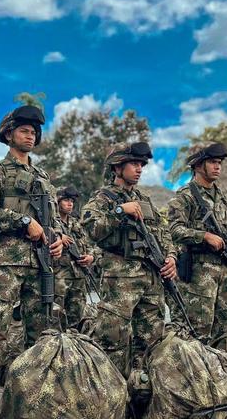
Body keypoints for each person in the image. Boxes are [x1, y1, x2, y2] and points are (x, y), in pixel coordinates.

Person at [0, 105, 63, 416]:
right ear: (9, 134)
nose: (31, 134)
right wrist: (23, 222)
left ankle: (31, 402)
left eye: (35, 131)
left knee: (40, 333)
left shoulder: (43, 176)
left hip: (41, 265)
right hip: (6, 264)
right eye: (24, 129)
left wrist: (59, 239)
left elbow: (53, 219)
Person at [81, 141, 177, 378]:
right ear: (117, 168)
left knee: (153, 341)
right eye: (133, 164)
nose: (139, 169)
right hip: (120, 277)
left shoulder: (145, 199)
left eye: (141, 164)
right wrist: (119, 211)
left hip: (151, 277)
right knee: (112, 341)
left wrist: (172, 257)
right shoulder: (104, 197)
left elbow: (163, 233)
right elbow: (91, 227)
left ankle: (143, 394)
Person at [166, 142, 227, 347]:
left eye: (219, 163)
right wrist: (204, 236)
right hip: (199, 273)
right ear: (198, 166)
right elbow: (173, 230)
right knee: (196, 334)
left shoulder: (221, 197)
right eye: (212, 162)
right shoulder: (185, 196)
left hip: (225, 271)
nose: (218, 166)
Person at [54, 186, 95, 330]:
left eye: (71, 201)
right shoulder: (52, 223)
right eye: (65, 200)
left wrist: (90, 256)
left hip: (78, 276)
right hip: (58, 276)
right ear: (57, 202)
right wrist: (57, 236)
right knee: (56, 316)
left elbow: (87, 244)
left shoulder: (76, 223)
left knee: (77, 316)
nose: (70, 203)